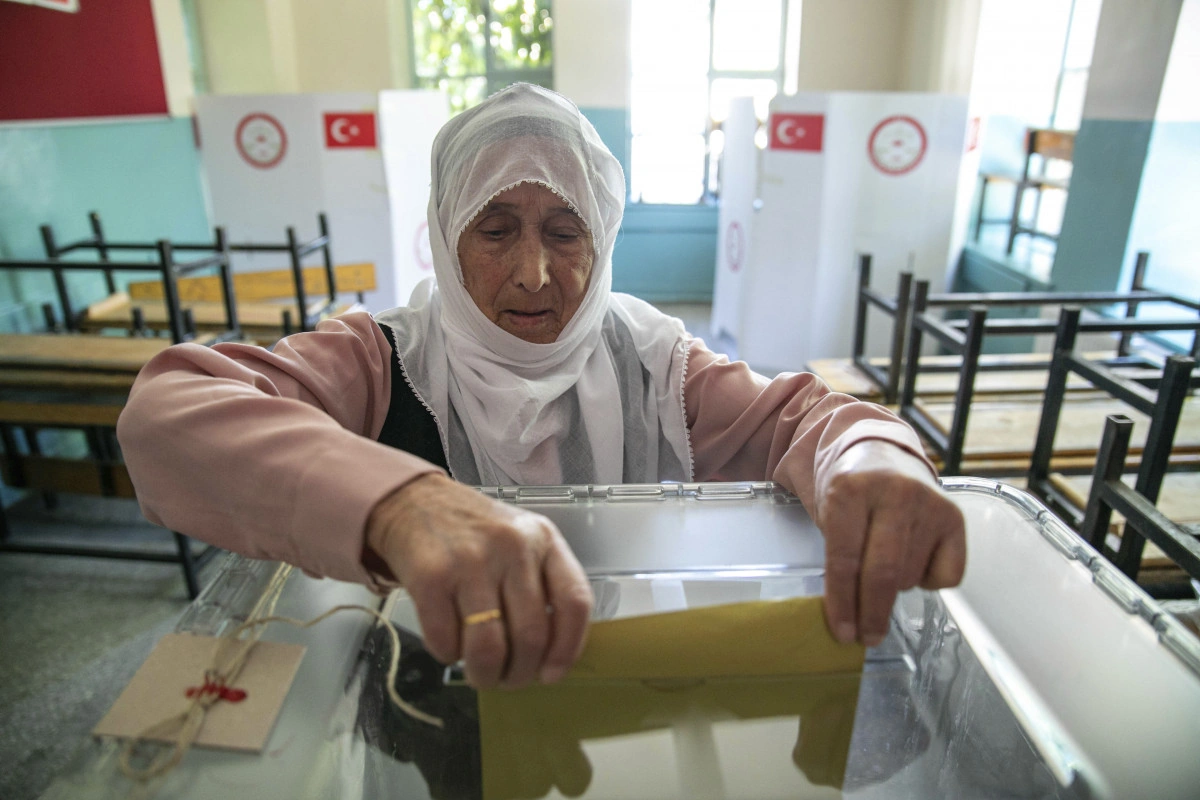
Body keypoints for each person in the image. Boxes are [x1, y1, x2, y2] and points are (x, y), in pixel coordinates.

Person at [117, 83, 965, 692]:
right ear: (445, 236)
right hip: (421, 694)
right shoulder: (382, 358)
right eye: (494, 230)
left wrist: (872, 456)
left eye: (566, 232)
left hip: (610, 688)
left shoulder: (652, 362)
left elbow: (806, 421)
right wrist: (400, 505)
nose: (533, 273)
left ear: (605, 240)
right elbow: (166, 417)